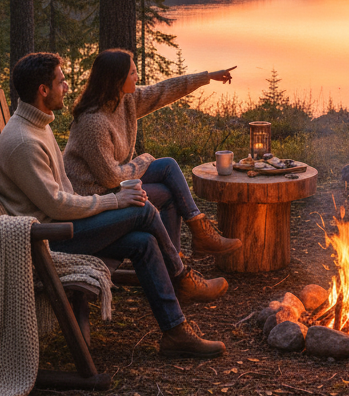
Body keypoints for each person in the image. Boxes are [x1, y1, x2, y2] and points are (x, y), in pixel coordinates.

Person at [0, 52, 225, 359]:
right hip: (48, 239)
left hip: (62, 225)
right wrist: (113, 200)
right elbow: (57, 205)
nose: (67, 87)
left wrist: (205, 76)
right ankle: (181, 277)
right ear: (43, 90)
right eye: (61, 82)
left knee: (142, 242)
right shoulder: (25, 142)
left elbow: (160, 91)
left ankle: (175, 331)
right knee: (141, 209)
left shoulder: (37, 125)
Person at [64, 49, 240, 269]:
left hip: (115, 184)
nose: (137, 77)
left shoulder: (125, 100)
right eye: (132, 73)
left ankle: (197, 236)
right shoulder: (93, 122)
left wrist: (207, 77)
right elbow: (111, 178)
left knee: (168, 166)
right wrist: (143, 160)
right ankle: (176, 262)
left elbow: (163, 90)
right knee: (168, 193)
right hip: (97, 197)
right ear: (116, 79)